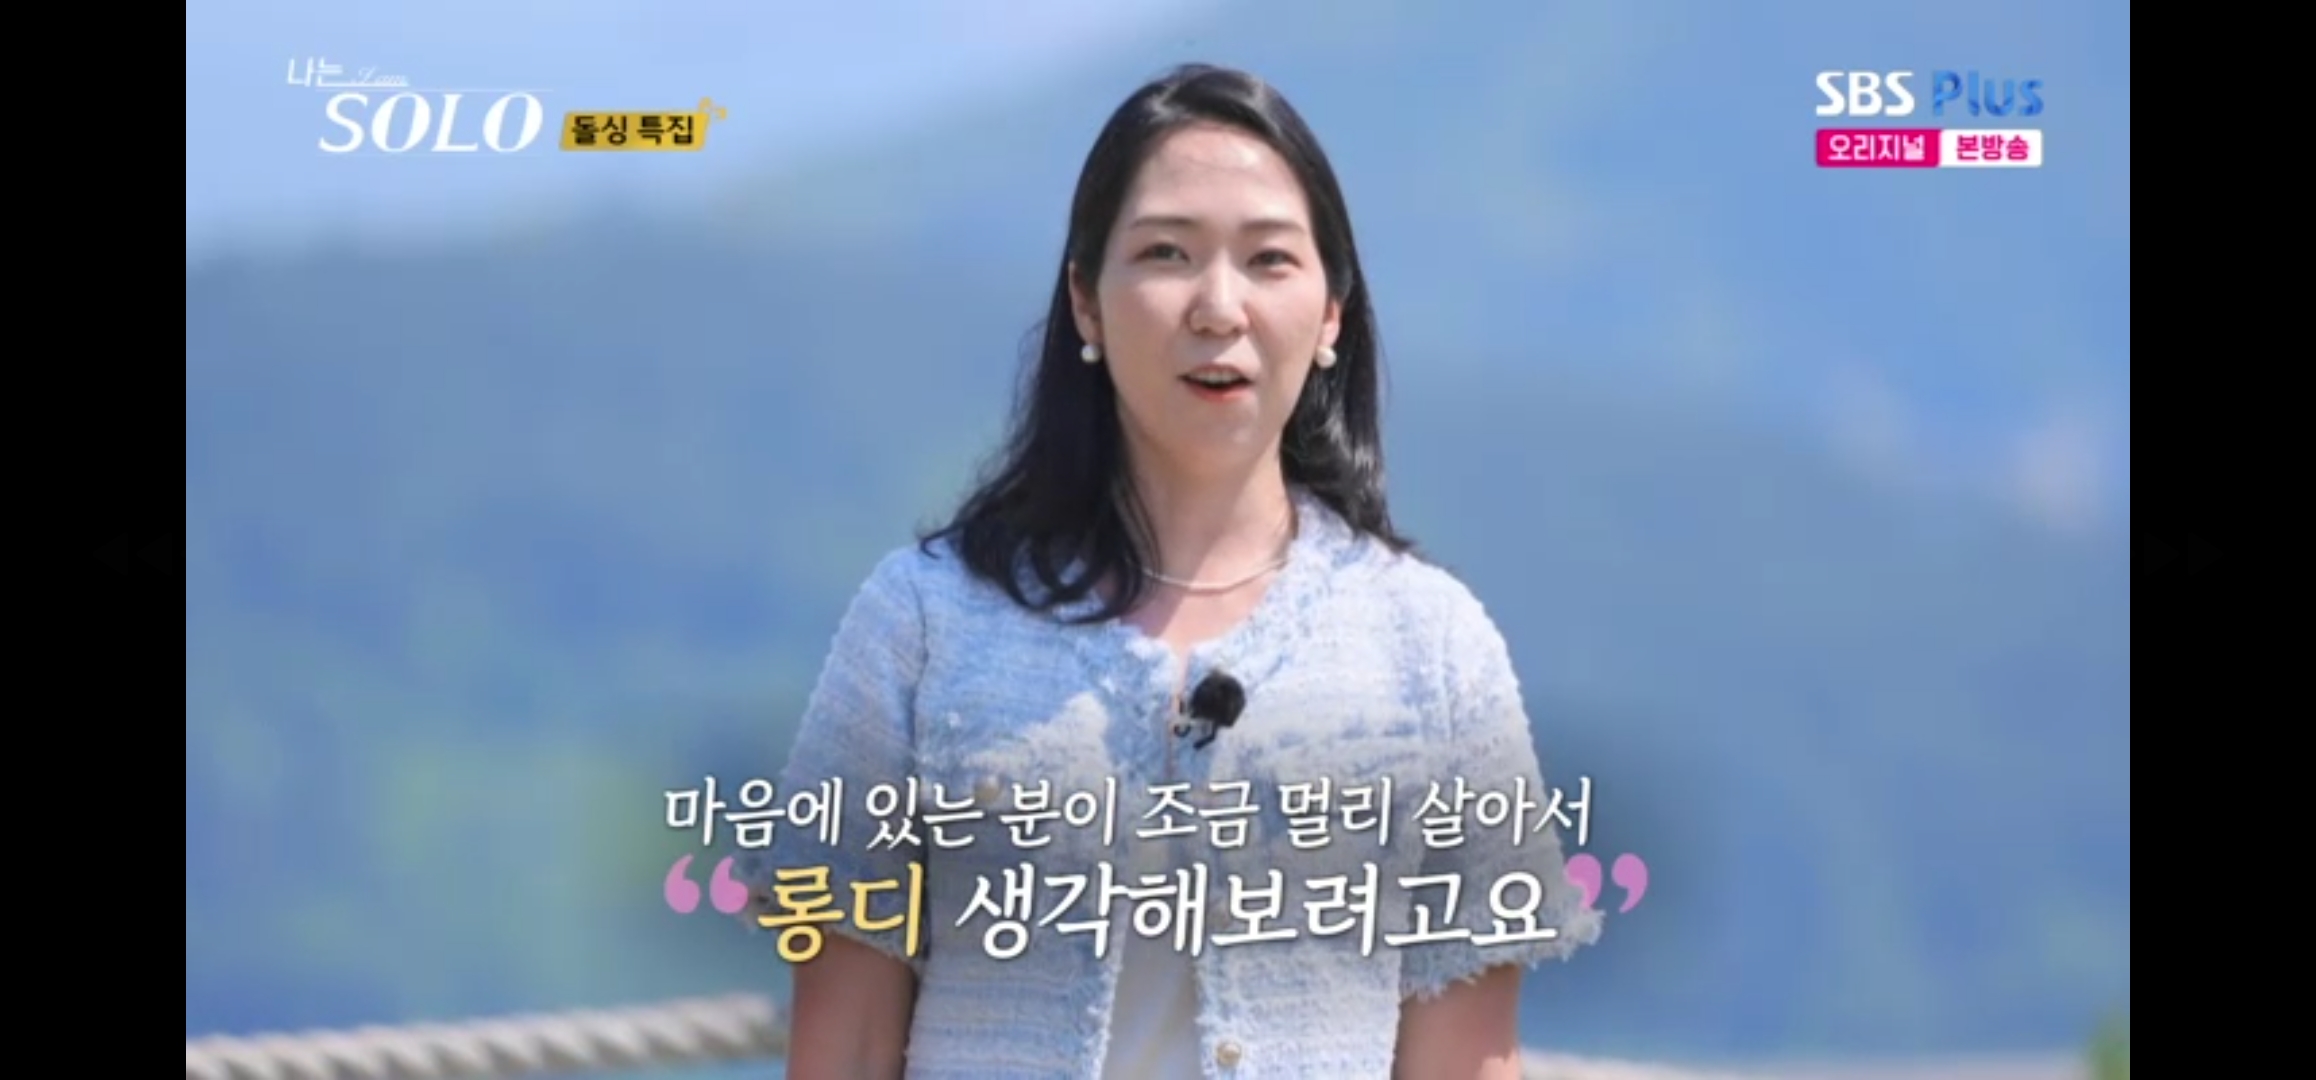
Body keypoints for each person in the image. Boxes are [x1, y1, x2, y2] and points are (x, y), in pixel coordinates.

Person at [745, 63, 1601, 1079]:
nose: (1218, 307)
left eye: (1269, 259)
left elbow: (1466, 1061)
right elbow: (844, 1043)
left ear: (1332, 312)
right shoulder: (923, 622)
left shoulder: (1435, 648)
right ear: (1086, 302)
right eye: (1166, 253)